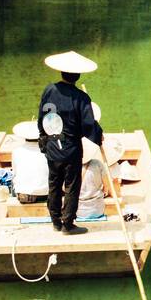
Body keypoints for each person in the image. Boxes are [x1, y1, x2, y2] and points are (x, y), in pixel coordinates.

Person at [37, 51, 104, 234]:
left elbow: (42, 118)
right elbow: (88, 125)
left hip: (52, 145)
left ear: (61, 73)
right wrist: (99, 136)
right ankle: (67, 224)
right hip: (71, 149)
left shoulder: (49, 90)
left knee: (54, 183)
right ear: (78, 76)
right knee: (72, 185)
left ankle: (55, 220)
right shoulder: (81, 98)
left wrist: (43, 137)